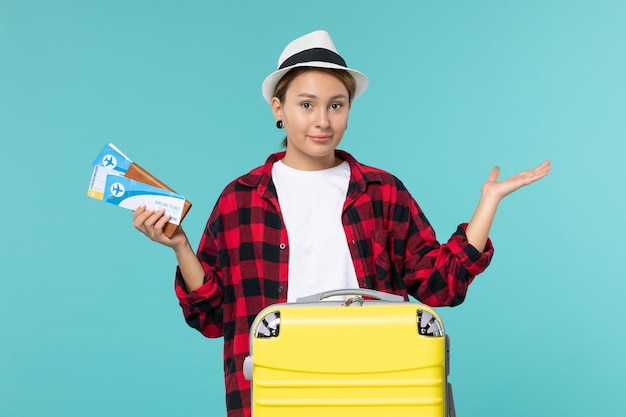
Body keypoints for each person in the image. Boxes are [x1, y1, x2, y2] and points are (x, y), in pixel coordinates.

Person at [133, 30, 551, 417]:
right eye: (306, 104)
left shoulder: (382, 191)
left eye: (336, 104)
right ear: (278, 109)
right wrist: (181, 247)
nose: (323, 120)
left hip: (378, 383)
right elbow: (211, 316)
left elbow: (439, 284)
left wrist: (488, 202)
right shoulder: (240, 199)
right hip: (279, 387)